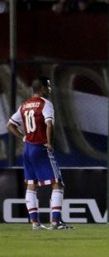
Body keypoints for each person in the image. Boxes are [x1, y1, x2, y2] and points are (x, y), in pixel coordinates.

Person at [6, 77, 73, 230]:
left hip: (28, 149)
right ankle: (56, 222)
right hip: (40, 147)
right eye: (48, 86)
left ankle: (35, 223)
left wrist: (23, 137)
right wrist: (49, 142)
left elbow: (10, 125)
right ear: (42, 88)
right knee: (58, 183)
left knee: (31, 184)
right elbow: (49, 124)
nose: (50, 89)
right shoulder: (45, 104)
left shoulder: (24, 105)